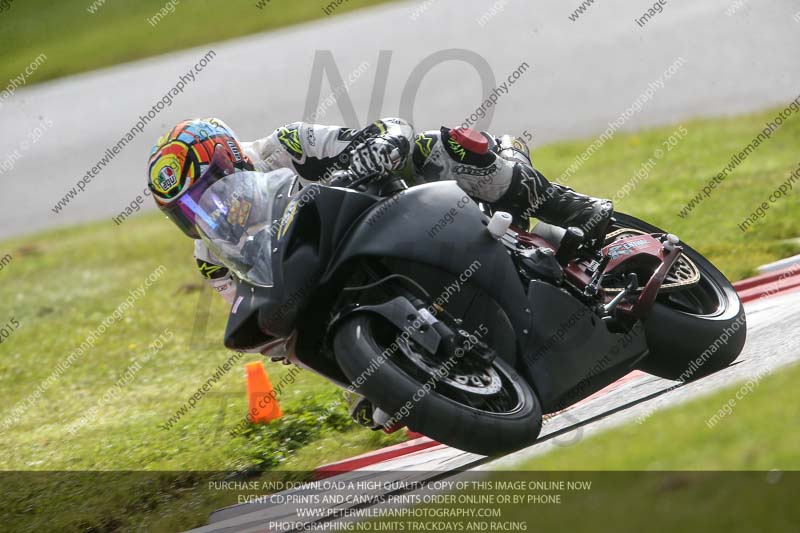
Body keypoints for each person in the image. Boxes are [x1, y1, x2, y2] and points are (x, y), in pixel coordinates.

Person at [146, 117, 613, 427]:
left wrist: (361, 164)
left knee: (440, 146)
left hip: (412, 210)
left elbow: (391, 130)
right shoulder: (211, 257)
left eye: (210, 189)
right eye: (186, 209)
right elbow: (275, 337)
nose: (207, 210)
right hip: (346, 277)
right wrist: (361, 380)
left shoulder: (286, 146)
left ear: (232, 159)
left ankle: (572, 208)